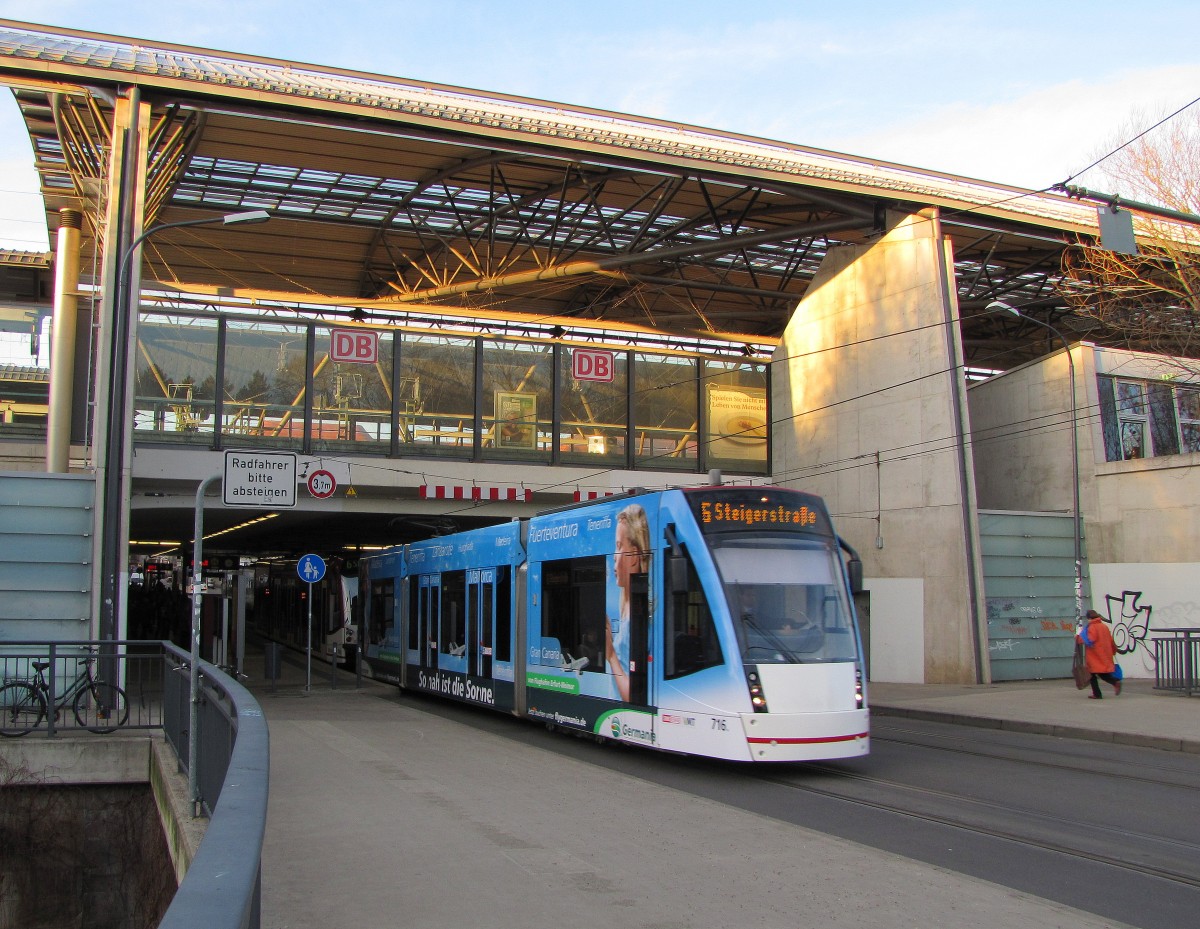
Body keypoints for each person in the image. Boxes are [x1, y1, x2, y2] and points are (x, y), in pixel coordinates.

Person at [605, 503, 649, 702]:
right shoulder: (628, 607)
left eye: (619, 546)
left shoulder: (640, 616)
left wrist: (610, 654)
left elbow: (634, 695)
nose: (614, 557)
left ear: (633, 558)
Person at [1077, 608, 1121, 699]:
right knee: (1103, 674)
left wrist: (1078, 638)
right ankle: (1115, 682)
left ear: (1089, 618)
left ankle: (1097, 693)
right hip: (1104, 654)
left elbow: (1090, 640)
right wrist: (1113, 650)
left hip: (1095, 655)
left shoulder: (1092, 627)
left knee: (1092, 674)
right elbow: (1111, 640)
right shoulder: (1104, 626)